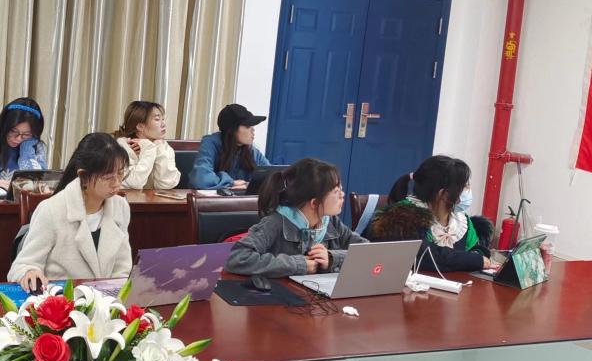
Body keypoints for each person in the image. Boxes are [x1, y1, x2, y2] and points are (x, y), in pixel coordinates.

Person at [8, 133, 132, 291]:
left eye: (120, 173)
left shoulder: (120, 207)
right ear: (83, 176)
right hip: (62, 301)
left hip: (106, 299)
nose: (117, 183)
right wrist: (29, 272)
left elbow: (123, 268)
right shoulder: (51, 210)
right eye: (108, 177)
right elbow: (23, 265)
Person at [226, 158, 367, 278]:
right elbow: (237, 258)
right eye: (336, 191)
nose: (342, 195)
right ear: (314, 203)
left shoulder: (331, 221)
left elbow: (368, 251)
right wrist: (297, 264)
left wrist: (332, 258)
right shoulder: (275, 223)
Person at [363, 155, 496, 272]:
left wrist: (477, 256)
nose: (468, 191)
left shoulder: (461, 221)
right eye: (465, 186)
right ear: (443, 194)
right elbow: (426, 256)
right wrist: (474, 260)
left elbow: (478, 249)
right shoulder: (402, 217)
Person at [189, 104, 271, 190]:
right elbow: (201, 179)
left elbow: (272, 176)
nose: (253, 130)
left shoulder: (251, 150)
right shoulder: (210, 143)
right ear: (232, 129)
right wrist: (231, 182)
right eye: (247, 126)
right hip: (211, 198)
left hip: (242, 198)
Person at [112, 101, 180, 189]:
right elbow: (134, 183)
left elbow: (166, 184)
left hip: (151, 198)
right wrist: (149, 148)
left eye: (163, 119)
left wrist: (158, 148)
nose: (163, 124)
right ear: (140, 126)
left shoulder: (163, 147)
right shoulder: (122, 146)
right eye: (157, 119)